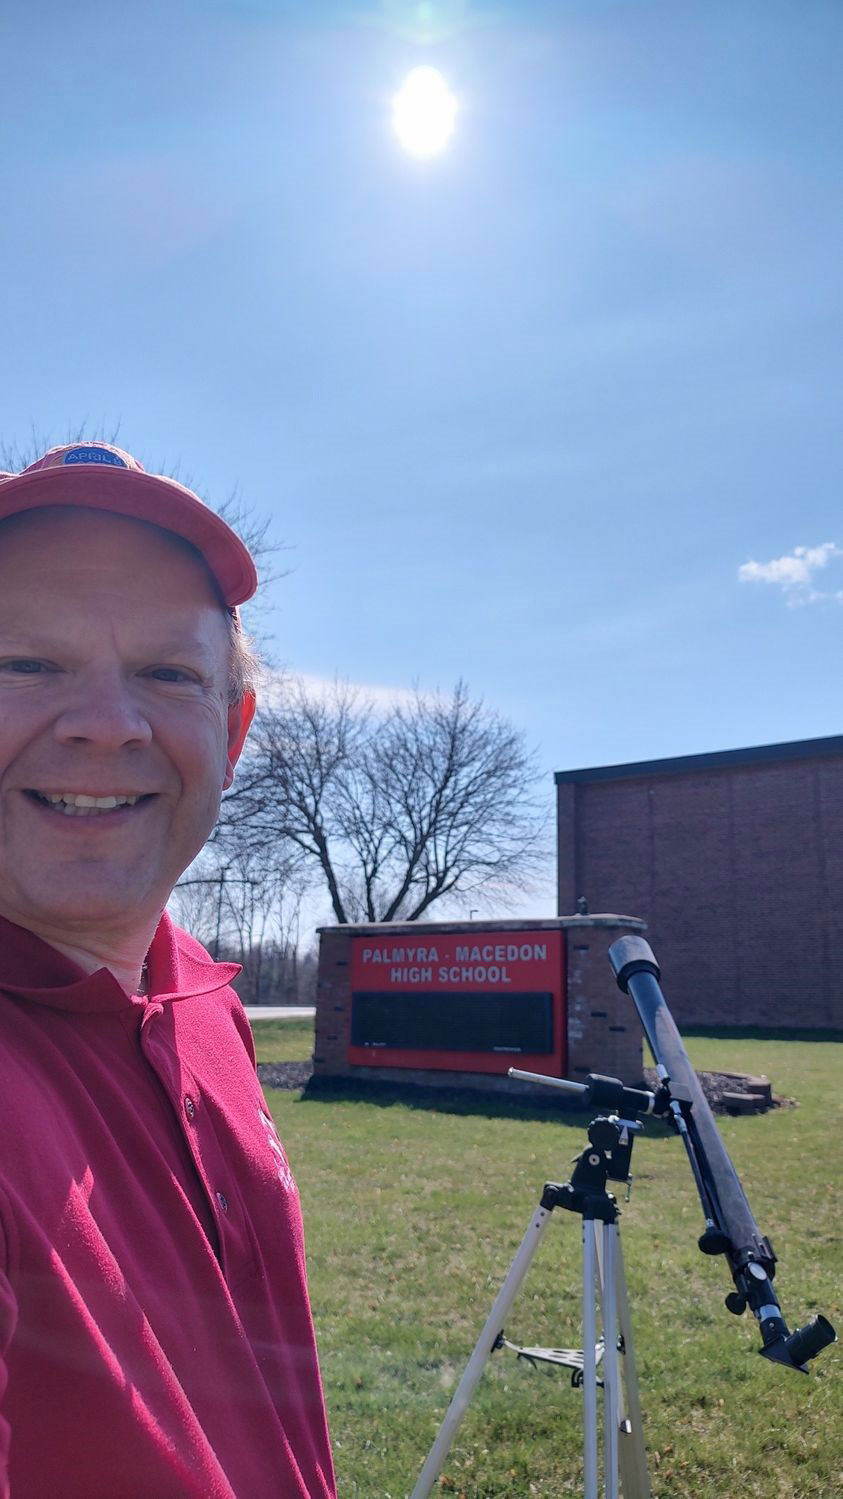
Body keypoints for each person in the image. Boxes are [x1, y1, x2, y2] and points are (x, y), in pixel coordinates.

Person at [0, 442, 337, 1499]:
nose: (107, 722)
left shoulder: (201, 991)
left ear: (231, 732)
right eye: (25, 663)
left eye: (168, 672)